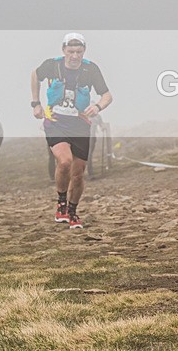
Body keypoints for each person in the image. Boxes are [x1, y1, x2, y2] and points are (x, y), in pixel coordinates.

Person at [31, 33, 112, 229]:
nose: (75, 56)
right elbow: (35, 75)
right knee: (64, 161)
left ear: (84, 51)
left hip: (80, 125)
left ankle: (73, 211)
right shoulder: (52, 65)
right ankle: (61, 203)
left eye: (79, 51)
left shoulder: (91, 69)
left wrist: (98, 107)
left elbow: (107, 95)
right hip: (55, 121)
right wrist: (36, 103)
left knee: (78, 173)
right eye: (71, 51)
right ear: (63, 50)